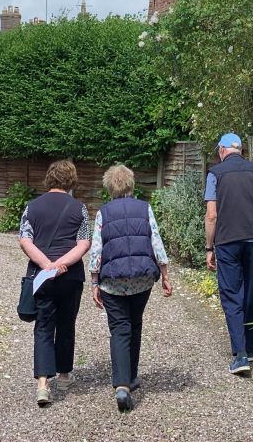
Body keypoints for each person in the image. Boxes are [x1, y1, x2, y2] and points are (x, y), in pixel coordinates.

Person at [88, 164, 173, 413]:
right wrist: (165, 275)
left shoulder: (103, 212)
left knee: (119, 329)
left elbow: (97, 250)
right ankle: (131, 376)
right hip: (141, 280)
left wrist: (94, 281)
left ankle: (122, 385)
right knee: (135, 323)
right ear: (131, 185)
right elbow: (156, 242)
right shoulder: (144, 208)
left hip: (112, 282)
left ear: (109, 187)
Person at [18, 159, 91, 407]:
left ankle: (42, 384)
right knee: (67, 324)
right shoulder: (79, 208)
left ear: (49, 178)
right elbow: (84, 244)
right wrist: (62, 264)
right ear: (71, 180)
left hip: (42, 277)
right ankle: (63, 375)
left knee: (43, 327)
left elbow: (25, 240)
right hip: (70, 276)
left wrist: (46, 265)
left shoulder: (31, 207)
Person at [204, 133, 253, 376]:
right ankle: (251, 347)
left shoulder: (215, 174)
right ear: (241, 150)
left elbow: (211, 215)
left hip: (227, 241)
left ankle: (240, 354)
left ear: (222, 150)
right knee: (252, 291)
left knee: (233, 294)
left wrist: (209, 247)